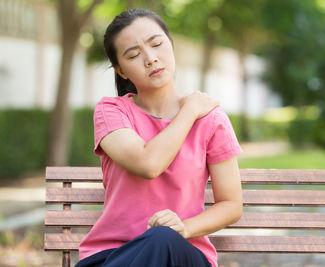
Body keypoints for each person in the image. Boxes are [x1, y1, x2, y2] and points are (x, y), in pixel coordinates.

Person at [76, 8, 243, 267]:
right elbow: (148, 164)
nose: (151, 59)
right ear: (121, 71)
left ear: (171, 45)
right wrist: (189, 111)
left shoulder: (210, 120)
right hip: (112, 256)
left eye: (157, 44)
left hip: (183, 254)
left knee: (161, 238)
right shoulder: (112, 112)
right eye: (134, 54)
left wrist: (184, 228)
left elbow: (231, 204)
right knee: (156, 240)